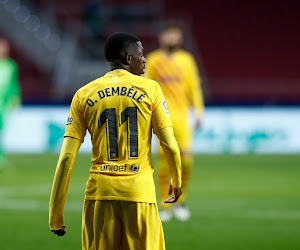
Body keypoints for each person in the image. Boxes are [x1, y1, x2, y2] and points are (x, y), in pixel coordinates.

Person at [49, 32, 182, 250]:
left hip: (100, 197)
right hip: (139, 195)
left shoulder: (84, 95)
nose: (145, 59)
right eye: (141, 54)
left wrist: (56, 215)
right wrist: (176, 181)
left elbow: (66, 159)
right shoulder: (151, 89)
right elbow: (169, 145)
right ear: (128, 58)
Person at [145, 23, 204, 221]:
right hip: (161, 116)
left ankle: (181, 200)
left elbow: (194, 87)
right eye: (169, 36)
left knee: (186, 159)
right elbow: (146, 87)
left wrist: (199, 112)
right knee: (164, 161)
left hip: (181, 117)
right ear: (162, 38)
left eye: (176, 37)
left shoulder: (186, 60)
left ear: (180, 39)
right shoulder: (153, 60)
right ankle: (165, 204)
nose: (173, 40)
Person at [0, 37, 21, 167]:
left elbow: (14, 85)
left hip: (3, 104)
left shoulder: (11, 65)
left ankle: (1, 157)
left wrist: (15, 98)